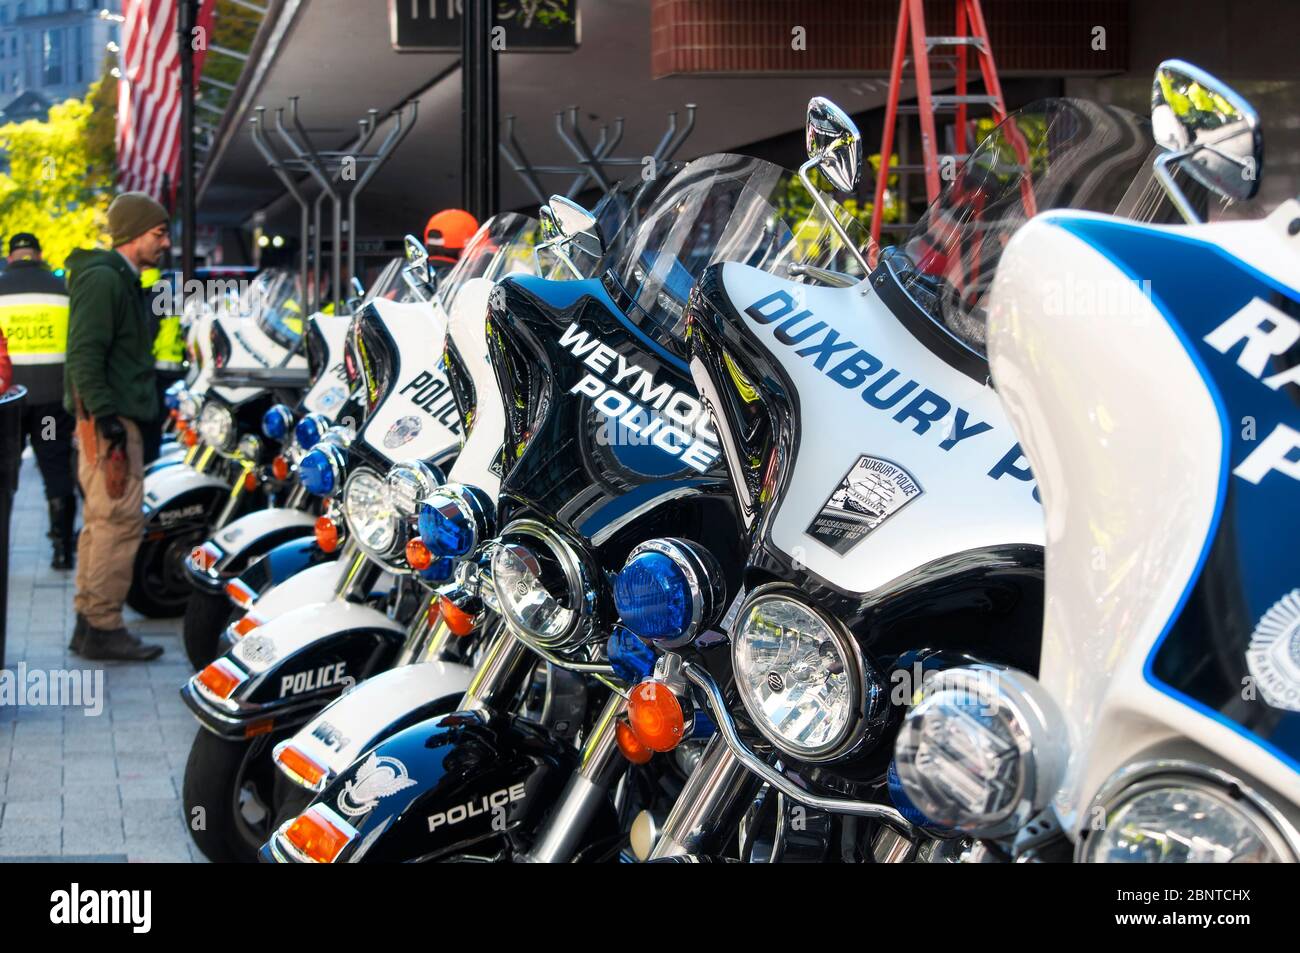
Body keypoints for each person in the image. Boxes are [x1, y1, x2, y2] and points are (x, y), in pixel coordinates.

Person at [64, 193, 170, 662]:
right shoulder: (106, 279)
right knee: (118, 523)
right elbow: (85, 354)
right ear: (133, 233)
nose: (165, 242)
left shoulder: (118, 280)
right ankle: (103, 626)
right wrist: (106, 419)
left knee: (103, 523)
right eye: (158, 233)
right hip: (112, 422)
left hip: (111, 417)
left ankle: (91, 625)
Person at [0, 233, 77, 568]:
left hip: (8, 405)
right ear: (39, 254)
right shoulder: (62, 289)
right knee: (54, 467)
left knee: (3, 473)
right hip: (49, 403)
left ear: (11, 255)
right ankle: (62, 549)